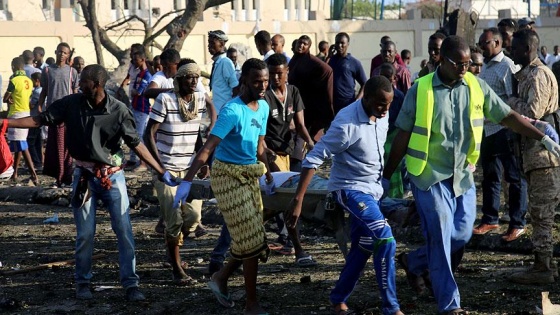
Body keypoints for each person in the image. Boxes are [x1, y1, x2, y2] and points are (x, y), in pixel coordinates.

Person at [382, 35, 560, 314]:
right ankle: (450, 305)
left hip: (462, 177)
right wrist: (386, 176)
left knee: (461, 235)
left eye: (469, 64)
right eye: (460, 64)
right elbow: (403, 134)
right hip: (428, 176)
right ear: (443, 60)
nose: (466, 69)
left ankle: (413, 263)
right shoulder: (422, 89)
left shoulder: (475, 86)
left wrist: (542, 137)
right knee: (441, 237)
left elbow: (507, 115)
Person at [1, 64, 177, 301]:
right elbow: (39, 119)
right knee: (85, 234)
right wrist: (6, 123)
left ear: (97, 84)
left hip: (113, 177)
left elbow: (137, 144)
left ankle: (131, 284)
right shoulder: (71, 104)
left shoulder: (119, 110)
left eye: (83, 81)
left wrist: (161, 170)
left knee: (124, 231)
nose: (78, 84)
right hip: (83, 177)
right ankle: (83, 283)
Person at [285, 76, 403, 315]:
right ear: (366, 98)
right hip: (349, 189)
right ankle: (391, 307)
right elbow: (314, 158)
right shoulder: (346, 124)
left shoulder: (382, 112)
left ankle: (338, 298)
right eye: (381, 104)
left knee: (364, 245)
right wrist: (298, 200)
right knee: (385, 237)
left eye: (388, 104)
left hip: (374, 190)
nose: (385, 109)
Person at [172, 58, 274, 315]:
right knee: (250, 238)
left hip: (250, 175)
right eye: (256, 82)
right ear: (244, 82)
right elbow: (208, 148)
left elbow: (260, 145)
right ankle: (252, 303)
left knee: (250, 237)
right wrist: (187, 182)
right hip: (227, 177)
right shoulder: (232, 110)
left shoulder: (262, 106)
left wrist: (271, 174)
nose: (262, 86)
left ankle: (220, 277)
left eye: (265, 81)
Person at [144, 62, 216, 285]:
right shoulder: (165, 100)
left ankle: (172, 245)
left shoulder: (199, 100)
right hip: (167, 168)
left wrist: (203, 160)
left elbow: (195, 132)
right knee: (174, 220)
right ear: (179, 80)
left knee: (194, 218)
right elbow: (149, 134)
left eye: (196, 78)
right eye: (189, 78)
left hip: (190, 168)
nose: (194, 82)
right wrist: (160, 168)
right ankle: (176, 268)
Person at [506, 29, 560, 284]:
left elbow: (533, 113)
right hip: (535, 154)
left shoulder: (538, 75)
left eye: (515, 48)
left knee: (541, 213)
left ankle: (543, 267)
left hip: (544, 156)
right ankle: (543, 263)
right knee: (540, 211)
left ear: (527, 49)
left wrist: (508, 103)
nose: (511, 52)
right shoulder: (527, 74)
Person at [473, 27, 527, 242]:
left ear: (497, 43)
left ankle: (517, 223)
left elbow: (513, 99)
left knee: (514, 178)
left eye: (484, 43)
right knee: (489, 177)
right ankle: (490, 218)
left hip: (505, 129)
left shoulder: (507, 67)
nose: (480, 46)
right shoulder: (483, 67)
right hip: (487, 130)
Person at [37, 42, 79, 188]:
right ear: (55, 52)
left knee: (68, 145)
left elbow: (74, 92)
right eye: (60, 52)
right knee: (55, 145)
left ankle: (66, 176)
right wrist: (40, 106)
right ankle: (58, 177)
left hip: (68, 112)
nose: (62, 54)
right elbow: (45, 90)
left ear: (68, 55)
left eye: (65, 52)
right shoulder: (47, 71)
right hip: (53, 113)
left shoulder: (72, 72)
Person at [288, 35, 334, 139]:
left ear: (309, 47)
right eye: (300, 43)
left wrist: (316, 85)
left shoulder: (311, 60)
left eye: (305, 44)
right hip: (294, 102)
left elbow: (328, 70)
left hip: (307, 105)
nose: (301, 45)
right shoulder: (295, 59)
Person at [3, 57, 38, 185]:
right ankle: (15, 172)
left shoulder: (14, 80)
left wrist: (8, 99)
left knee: (23, 145)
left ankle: (34, 175)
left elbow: (5, 98)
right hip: (26, 113)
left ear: (13, 66)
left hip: (15, 114)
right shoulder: (28, 80)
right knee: (19, 144)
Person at [328, 32, 367, 114]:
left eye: (342, 43)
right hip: (331, 103)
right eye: (337, 43)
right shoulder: (330, 60)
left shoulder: (354, 62)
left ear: (348, 44)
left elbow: (365, 83)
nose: (339, 45)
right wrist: (328, 56)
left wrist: (357, 100)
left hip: (347, 103)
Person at [127, 50, 153, 172]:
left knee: (140, 135)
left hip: (143, 109)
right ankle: (135, 160)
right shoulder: (139, 74)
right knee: (135, 134)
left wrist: (134, 92)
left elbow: (138, 91)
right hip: (136, 107)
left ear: (142, 60)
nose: (134, 62)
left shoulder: (147, 75)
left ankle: (144, 163)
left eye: (135, 59)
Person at [207, 30, 239, 114]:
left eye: (212, 43)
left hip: (225, 112)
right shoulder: (217, 62)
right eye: (208, 43)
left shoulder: (225, 62)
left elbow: (235, 88)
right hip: (217, 111)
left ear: (221, 44)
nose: (209, 46)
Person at [27, 72, 43, 172]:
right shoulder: (42, 90)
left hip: (34, 119)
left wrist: (27, 98)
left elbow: (32, 105)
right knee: (38, 142)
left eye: (32, 80)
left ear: (37, 81)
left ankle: (36, 163)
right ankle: (39, 163)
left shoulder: (37, 92)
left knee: (30, 142)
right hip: (40, 119)